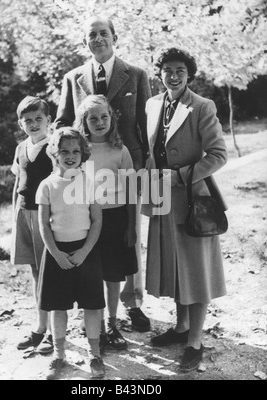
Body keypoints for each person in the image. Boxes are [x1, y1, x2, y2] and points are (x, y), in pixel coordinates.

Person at [55, 15, 151, 332]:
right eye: (92, 34)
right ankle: (92, 304)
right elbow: (61, 123)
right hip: (85, 173)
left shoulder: (136, 75)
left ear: (114, 37)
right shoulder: (73, 78)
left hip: (125, 166)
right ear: (86, 41)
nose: (98, 38)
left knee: (127, 236)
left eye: (104, 33)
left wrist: (148, 169)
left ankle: (132, 303)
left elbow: (146, 126)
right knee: (89, 235)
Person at [143, 47, 228, 372]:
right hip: (162, 200)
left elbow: (218, 154)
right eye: (167, 69)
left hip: (193, 202)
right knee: (176, 270)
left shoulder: (202, 106)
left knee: (197, 271)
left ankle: (194, 341)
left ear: (189, 74)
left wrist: (179, 176)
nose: (173, 75)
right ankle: (180, 328)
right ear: (160, 72)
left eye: (180, 70)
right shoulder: (153, 104)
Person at [36, 127, 105, 379]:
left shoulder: (90, 182)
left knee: (92, 305)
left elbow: (97, 221)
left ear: (83, 153)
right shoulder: (47, 186)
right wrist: (56, 253)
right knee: (57, 306)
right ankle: (59, 355)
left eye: (76, 151)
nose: (70, 156)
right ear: (54, 153)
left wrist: (85, 250)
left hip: (85, 251)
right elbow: (43, 225)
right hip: (57, 253)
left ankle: (95, 354)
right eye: (64, 151)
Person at [75, 94, 138, 351]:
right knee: (92, 275)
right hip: (87, 220)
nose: (99, 122)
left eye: (104, 117)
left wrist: (132, 226)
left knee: (113, 276)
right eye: (93, 118)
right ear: (84, 121)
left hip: (115, 220)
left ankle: (112, 323)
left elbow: (131, 191)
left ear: (111, 118)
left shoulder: (120, 151)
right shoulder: (79, 151)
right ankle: (96, 325)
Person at [11, 96, 53, 354]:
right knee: (35, 272)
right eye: (28, 121)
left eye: (39, 119)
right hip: (24, 213)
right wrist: (14, 213)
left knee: (50, 275)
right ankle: (40, 326)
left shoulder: (54, 147)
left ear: (49, 120)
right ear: (21, 124)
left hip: (45, 217)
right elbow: (18, 184)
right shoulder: (21, 148)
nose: (34, 124)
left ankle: (53, 332)